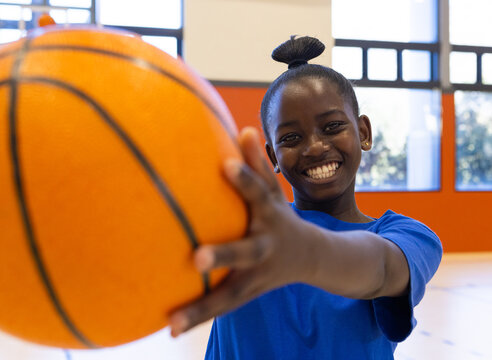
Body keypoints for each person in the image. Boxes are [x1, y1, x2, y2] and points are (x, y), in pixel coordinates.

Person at [169, 35, 443, 359]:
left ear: (364, 133)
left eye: (332, 126)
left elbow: (385, 269)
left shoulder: (408, 237)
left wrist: (308, 254)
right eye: (291, 137)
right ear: (273, 156)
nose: (314, 147)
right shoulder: (242, 227)